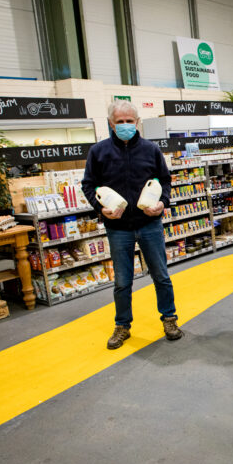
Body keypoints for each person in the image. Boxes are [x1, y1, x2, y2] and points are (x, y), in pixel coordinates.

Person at [82, 101, 184, 349]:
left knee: (160, 275)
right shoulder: (98, 152)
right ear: (111, 123)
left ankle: (169, 319)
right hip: (118, 228)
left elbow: (165, 181)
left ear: (137, 122)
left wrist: (163, 203)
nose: (125, 125)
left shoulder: (151, 150)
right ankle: (122, 325)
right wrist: (101, 209)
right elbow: (88, 185)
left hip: (149, 224)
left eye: (130, 121)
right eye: (120, 122)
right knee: (122, 281)